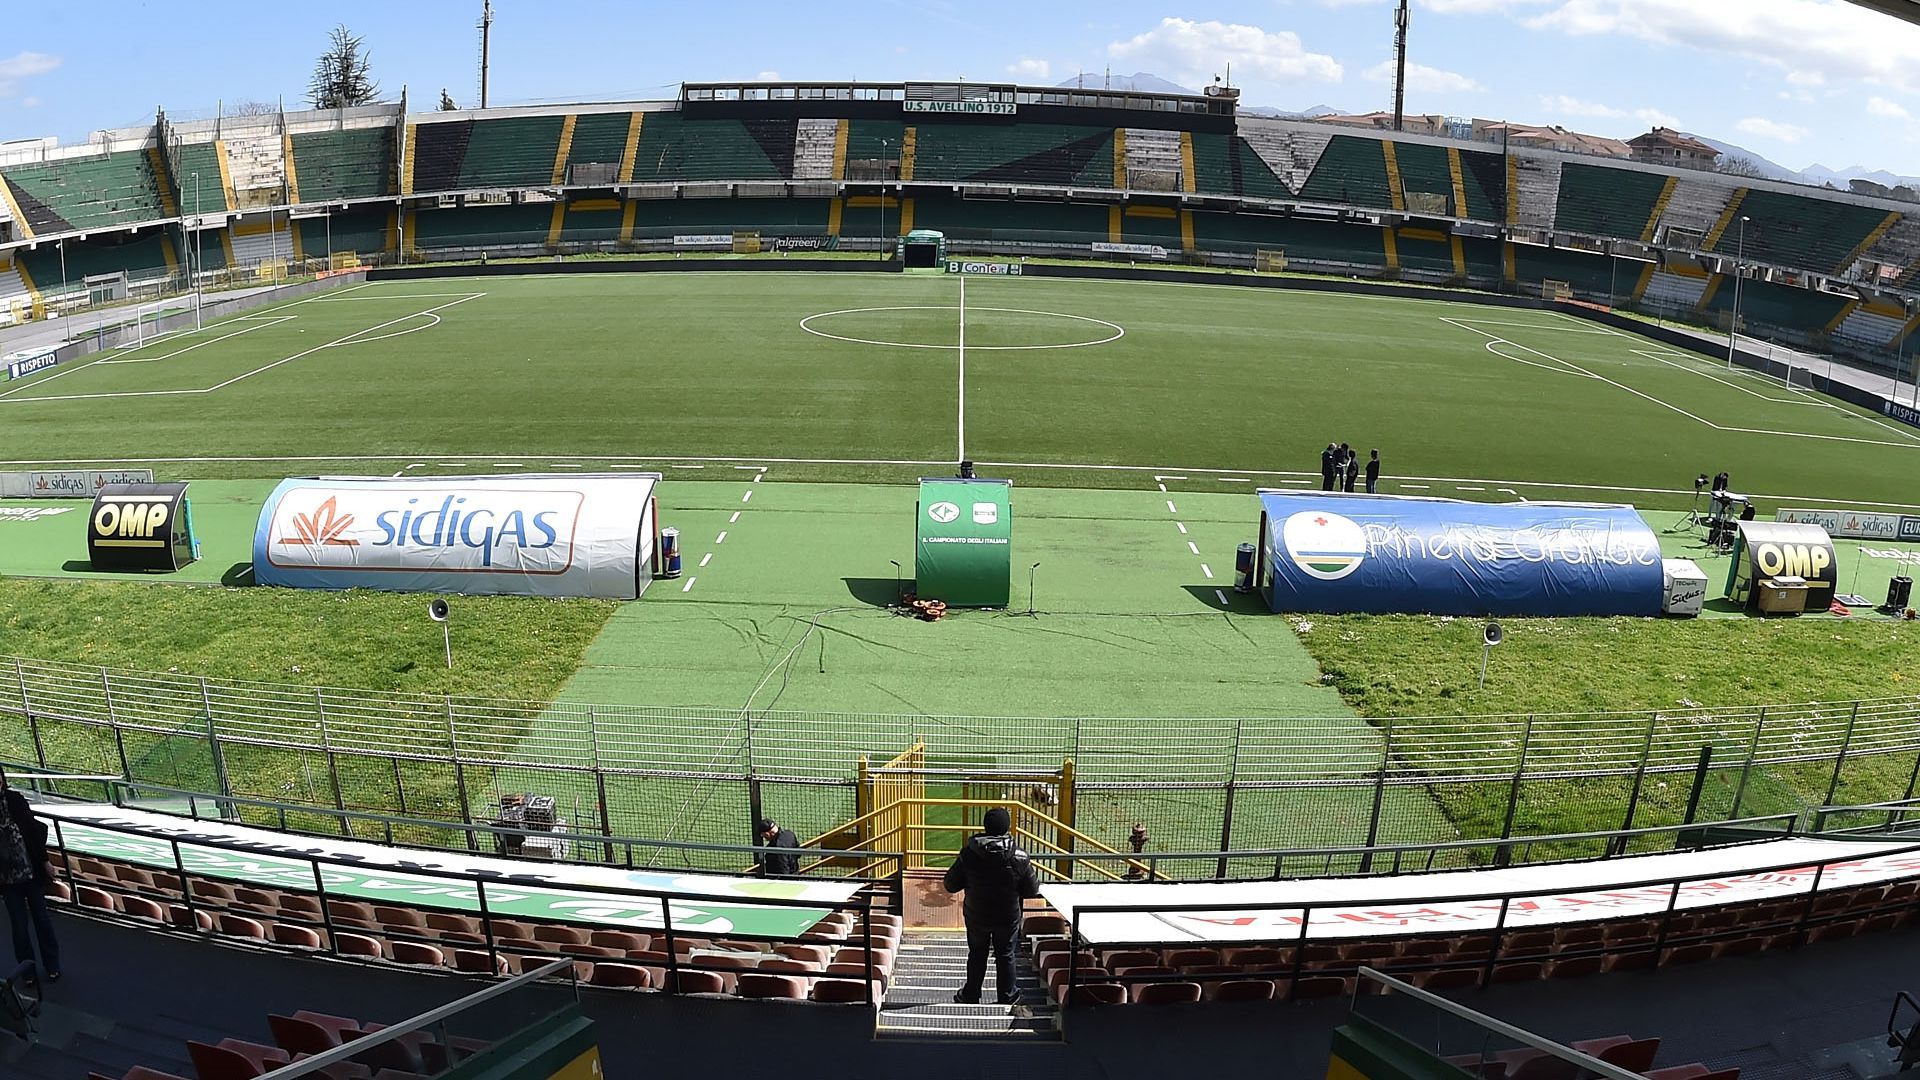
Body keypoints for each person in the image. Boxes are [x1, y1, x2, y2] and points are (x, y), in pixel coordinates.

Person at [942, 806, 1039, 1006]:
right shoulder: (1020, 857)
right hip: (1008, 916)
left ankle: (971, 995)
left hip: (977, 915)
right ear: (1007, 828)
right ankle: (1007, 996)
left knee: (977, 954)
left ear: (985, 826)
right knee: (1006, 954)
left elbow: (950, 885)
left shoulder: (969, 854)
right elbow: (1032, 890)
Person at [0, 779, 58, 984]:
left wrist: (44, 862)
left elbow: (32, 832)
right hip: (7, 880)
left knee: (42, 920)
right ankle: (28, 971)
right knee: (19, 926)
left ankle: (52, 965)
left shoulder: (15, 800)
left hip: (30, 872)